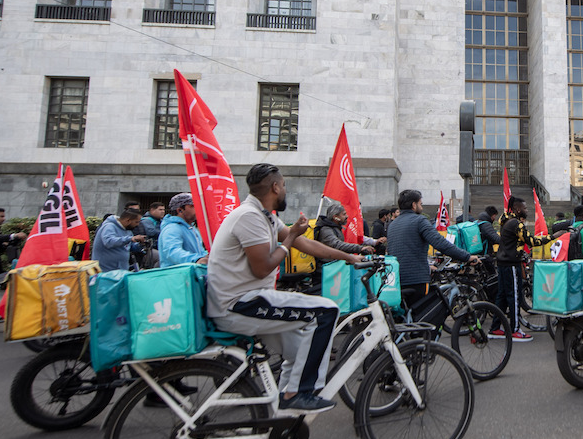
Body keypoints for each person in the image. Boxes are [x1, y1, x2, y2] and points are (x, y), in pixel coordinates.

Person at [207, 163, 361, 413]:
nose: (286, 191)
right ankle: (297, 394)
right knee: (326, 311)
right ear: (275, 187)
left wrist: (349, 257)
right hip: (238, 305)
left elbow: (304, 243)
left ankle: (283, 412)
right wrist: (290, 238)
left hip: (252, 300)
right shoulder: (249, 216)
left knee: (300, 348)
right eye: (285, 186)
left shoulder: (266, 216)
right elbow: (263, 268)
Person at [386, 189, 480, 327]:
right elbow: (440, 243)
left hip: (397, 279)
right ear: (413, 205)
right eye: (420, 204)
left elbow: (405, 249)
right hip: (416, 279)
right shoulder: (419, 220)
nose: (422, 207)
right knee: (428, 321)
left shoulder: (393, 224)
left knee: (407, 320)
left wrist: (425, 264)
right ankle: (423, 346)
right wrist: (466, 257)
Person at [492, 196, 560, 341]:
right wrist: (553, 236)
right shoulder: (516, 224)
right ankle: (515, 330)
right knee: (514, 297)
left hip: (503, 263)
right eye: (525, 208)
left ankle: (495, 328)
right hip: (511, 264)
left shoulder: (505, 221)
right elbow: (532, 241)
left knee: (502, 296)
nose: (527, 210)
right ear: (518, 209)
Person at [158, 193, 208, 267]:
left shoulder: (192, 228)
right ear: (180, 210)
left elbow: (200, 251)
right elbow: (172, 252)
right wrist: (196, 259)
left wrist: (207, 257)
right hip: (176, 275)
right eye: (192, 206)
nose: (198, 209)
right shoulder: (172, 228)